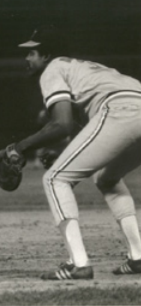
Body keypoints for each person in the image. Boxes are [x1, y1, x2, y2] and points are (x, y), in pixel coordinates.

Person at [8, 25, 141, 280]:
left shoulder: (53, 69)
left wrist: (20, 147)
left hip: (119, 110)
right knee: (106, 178)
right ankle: (138, 257)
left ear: (46, 55)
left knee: (55, 178)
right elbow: (90, 129)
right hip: (132, 104)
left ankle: (77, 264)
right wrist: (66, 153)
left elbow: (62, 124)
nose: (27, 58)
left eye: (32, 52)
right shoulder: (83, 67)